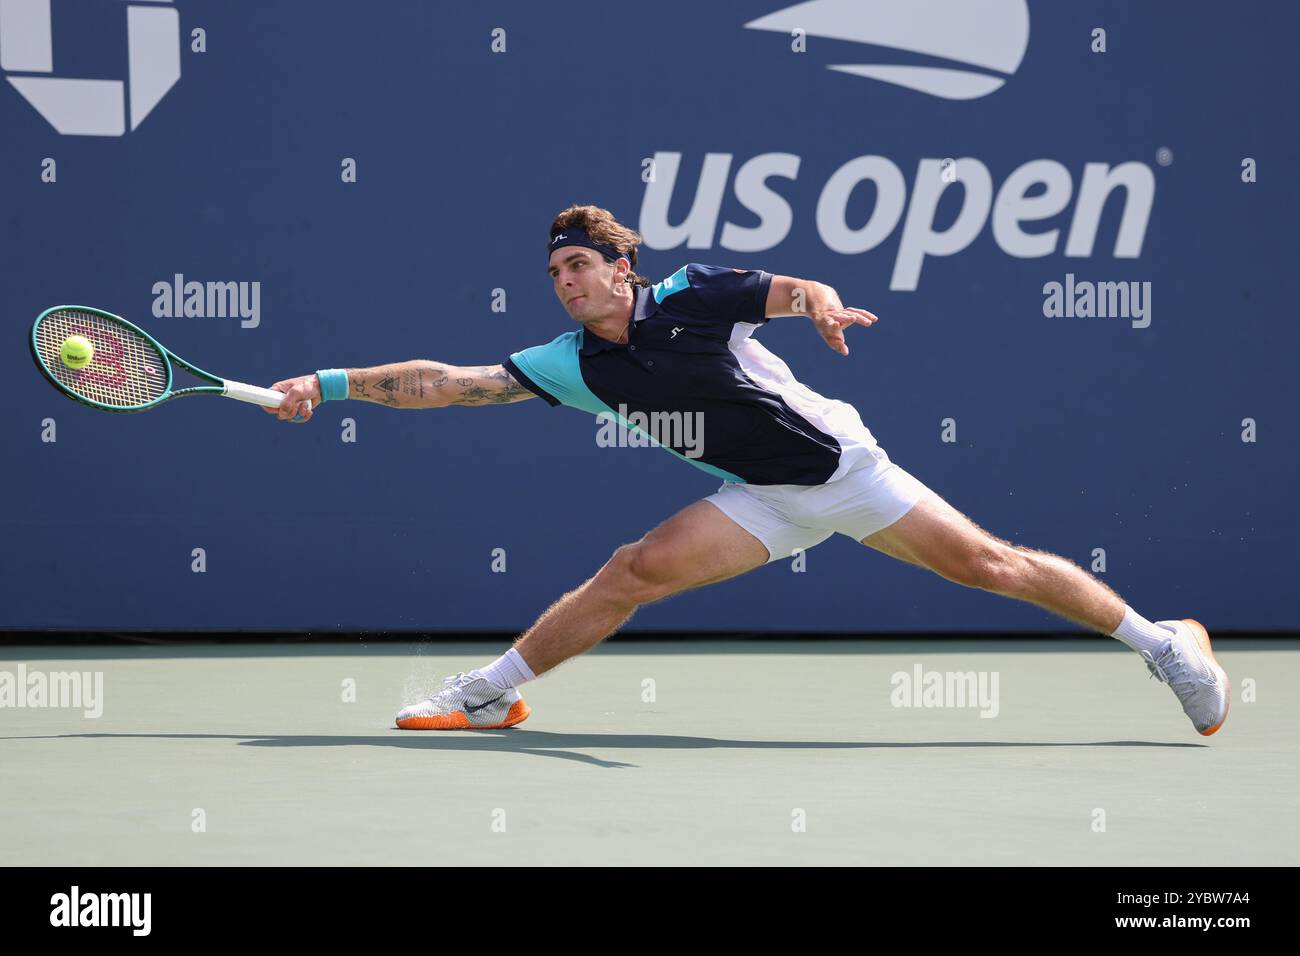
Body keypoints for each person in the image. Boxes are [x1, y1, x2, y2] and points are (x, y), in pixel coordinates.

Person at [264, 205, 1229, 736]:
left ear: (621, 269)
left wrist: (824, 307)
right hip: (759, 497)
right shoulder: (573, 362)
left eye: (578, 266)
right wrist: (330, 382)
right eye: (555, 272)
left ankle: (1167, 642)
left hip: (842, 471)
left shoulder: (693, 296)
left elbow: (797, 285)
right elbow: (451, 384)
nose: (565, 282)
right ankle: (489, 691)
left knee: (993, 569)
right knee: (629, 571)